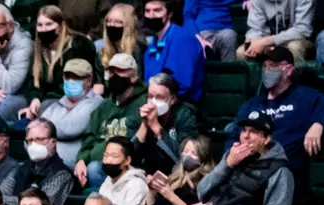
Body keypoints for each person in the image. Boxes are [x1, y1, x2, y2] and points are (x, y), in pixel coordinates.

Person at [76, 53, 144, 189]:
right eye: (111, 71)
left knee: (94, 168)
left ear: (133, 76)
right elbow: (90, 138)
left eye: (120, 71)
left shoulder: (143, 102)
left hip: (130, 164)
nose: (114, 75)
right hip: (101, 163)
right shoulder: (103, 107)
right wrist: (81, 160)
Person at [36, 58, 102, 167]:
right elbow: (37, 127)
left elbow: (70, 128)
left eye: (77, 77)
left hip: (73, 160)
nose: (71, 81)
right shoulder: (58, 102)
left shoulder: (96, 103)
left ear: (89, 80)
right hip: (49, 154)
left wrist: (42, 133)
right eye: (67, 77)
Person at [138, 0, 204, 102]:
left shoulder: (181, 38)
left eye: (157, 10)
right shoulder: (152, 43)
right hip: (155, 99)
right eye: (147, 11)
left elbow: (181, 85)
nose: (151, 16)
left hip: (180, 104)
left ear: (169, 14)